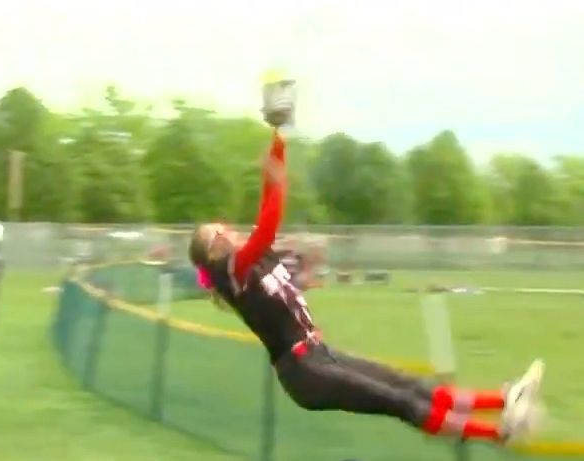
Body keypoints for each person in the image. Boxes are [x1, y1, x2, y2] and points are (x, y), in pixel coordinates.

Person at [187, 100, 544, 445]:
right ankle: (500, 434)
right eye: (218, 233)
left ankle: (503, 398)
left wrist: (278, 140)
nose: (227, 230)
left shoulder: (251, 258)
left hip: (317, 355)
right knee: (402, 403)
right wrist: (277, 169)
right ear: (214, 251)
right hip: (305, 373)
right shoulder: (229, 272)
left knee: (411, 387)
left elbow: (268, 204)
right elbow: (268, 223)